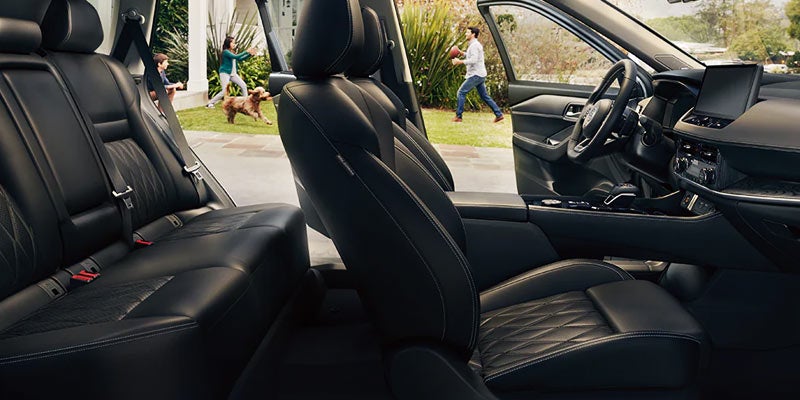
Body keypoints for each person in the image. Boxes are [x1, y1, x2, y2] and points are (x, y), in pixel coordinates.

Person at [450, 27, 504, 123]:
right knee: (484, 96)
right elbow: (472, 56)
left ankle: (458, 116)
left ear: (473, 34)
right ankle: (499, 114)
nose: (465, 34)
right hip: (480, 74)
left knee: (461, 92)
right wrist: (462, 53)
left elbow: (474, 60)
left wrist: (460, 62)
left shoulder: (474, 45)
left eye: (467, 32)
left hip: (476, 74)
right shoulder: (474, 45)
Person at [207, 36, 257, 108]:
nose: (234, 44)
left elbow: (239, 59)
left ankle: (245, 103)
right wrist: (246, 51)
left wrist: (249, 54)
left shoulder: (232, 52)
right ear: (228, 43)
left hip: (233, 74)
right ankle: (210, 103)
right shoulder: (226, 52)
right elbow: (236, 57)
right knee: (225, 91)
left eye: (234, 42)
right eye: (232, 42)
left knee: (243, 85)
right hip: (225, 73)